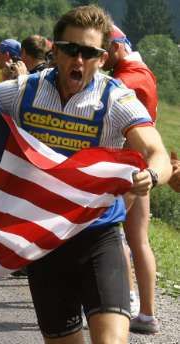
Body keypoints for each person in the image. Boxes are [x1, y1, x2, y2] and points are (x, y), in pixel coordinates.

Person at [0, 5, 172, 344]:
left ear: (103, 58)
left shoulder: (115, 99)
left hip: (98, 236)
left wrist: (151, 175)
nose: (78, 60)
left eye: (89, 53)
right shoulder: (24, 91)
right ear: (55, 50)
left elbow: (157, 152)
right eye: (70, 50)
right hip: (43, 244)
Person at [102, 24, 160, 332]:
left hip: (126, 168)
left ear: (115, 48)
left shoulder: (125, 80)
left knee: (117, 235)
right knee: (138, 239)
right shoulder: (144, 72)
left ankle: (126, 302)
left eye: (102, 51)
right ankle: (145, 313)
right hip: (142, 166)